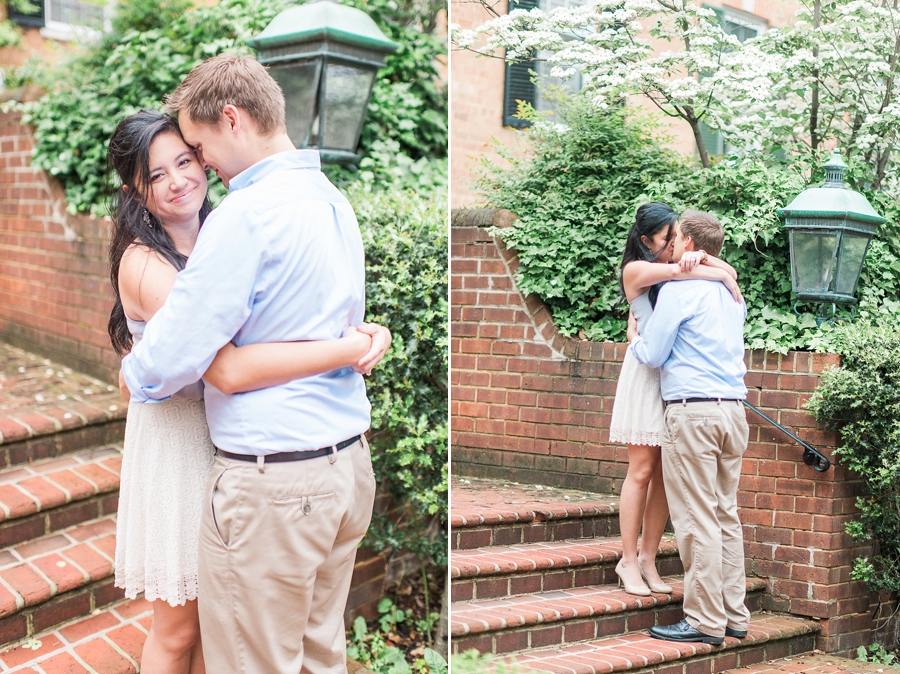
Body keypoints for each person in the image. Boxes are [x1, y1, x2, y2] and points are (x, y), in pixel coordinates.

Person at [119, 53, 391, 674]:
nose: (202, 160)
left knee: (252, 662)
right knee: (319, 652)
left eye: (199, 144)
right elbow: (341, 327)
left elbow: (176, 356)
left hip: (278, 484)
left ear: (232, 119)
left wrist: (134, 372)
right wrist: (357, 345)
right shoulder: (332, 201)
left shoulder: (244, 215)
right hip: (347, 467)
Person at [628, 210, 751, 645]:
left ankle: (702, 621)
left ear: (688, 244)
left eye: (677, 237)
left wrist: (636, 342)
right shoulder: (735, 296)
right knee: (725, 516)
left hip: (694, 413)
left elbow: (655, 353)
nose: (672, 244)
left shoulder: (682, 293)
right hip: (734, 412)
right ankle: (735, 616)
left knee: (696, 520)